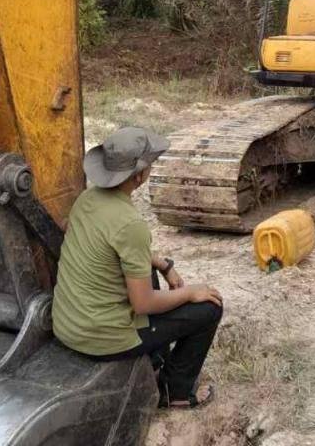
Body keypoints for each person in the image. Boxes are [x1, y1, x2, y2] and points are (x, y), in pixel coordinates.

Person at [52, 126, 223, 409]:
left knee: (148, 272)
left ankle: (153, 363)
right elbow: (143, 303)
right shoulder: (131, 225)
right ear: (140, 175)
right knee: (210, 308)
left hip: (68, 325)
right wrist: (191, 292)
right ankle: (175, 393)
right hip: (101, 339)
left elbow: (109, 248)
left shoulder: (86, 200)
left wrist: (162, 263)